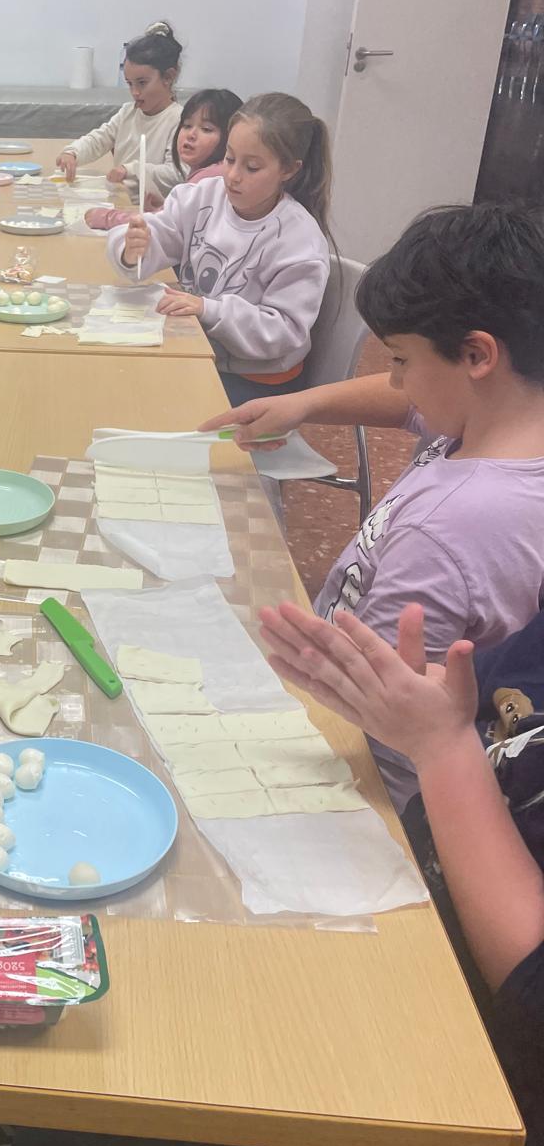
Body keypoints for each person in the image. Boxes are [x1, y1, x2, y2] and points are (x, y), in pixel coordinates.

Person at [9, 600, 544, 1146]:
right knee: (150, 945)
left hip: (485, 1136)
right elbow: (481, 720)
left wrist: (443, 749)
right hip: (403, 944)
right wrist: (414, 711)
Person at [206, 202, 544, 808]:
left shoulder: (445, 532)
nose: (393, 380)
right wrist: (306, 404)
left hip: (364, 778)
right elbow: (411, 403)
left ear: (476, 355)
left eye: (400, 360)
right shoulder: (505, 417)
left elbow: (367, 717)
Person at [108, 92, 331, 404]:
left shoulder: (298, 239)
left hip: (258, 381)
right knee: (121, 377)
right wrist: (132, 248)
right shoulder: (203, 196)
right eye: (229, 159)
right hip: (201, 351)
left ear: (289, 170)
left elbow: (283, 332)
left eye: (252, 167)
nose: (233, 176)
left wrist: (207, 309)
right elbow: (161, 231)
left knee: (149, 399)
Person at [56, 22, 184, 199]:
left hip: (152, 210)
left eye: (142, 83)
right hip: (121, 200)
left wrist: (130, 170)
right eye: (130, 84)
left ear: (168, 77)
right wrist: (73, 152)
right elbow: (99, 139)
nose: (135, 92)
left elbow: (175, 174)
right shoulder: (128, 112)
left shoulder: (180, 121)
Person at [85, 87, 243, 230]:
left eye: (206, 129)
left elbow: (159, 223)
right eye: (187, 125)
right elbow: (181, 222)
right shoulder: (205, 172)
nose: (191, 135)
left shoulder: (210, 177)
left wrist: (107, 217)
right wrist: (164, 207)